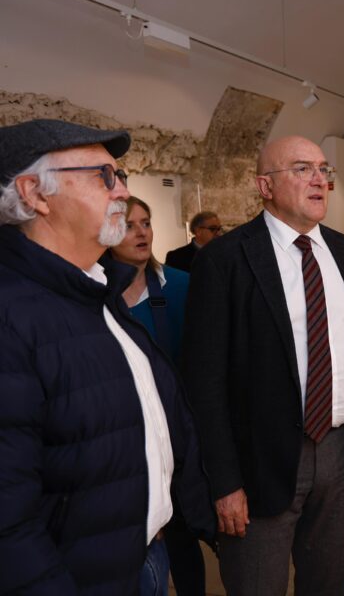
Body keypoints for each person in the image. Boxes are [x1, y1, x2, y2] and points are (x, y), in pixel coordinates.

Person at [181, 134, 344, 595]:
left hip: (343, 452)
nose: (320, 180)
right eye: (302, 169)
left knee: (329, 583)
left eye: (324, 169)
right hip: (260, 459)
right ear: (265, 186)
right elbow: (204, 383)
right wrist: (223, 481)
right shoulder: (225, 261)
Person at [0, 118, 215, 594]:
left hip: (144, 556)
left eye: (120, 177)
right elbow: (9, 520)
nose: (120, 191)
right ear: (35, 193)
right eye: (104, 177)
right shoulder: (12, 315)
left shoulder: (98, 291)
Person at [108, 195, 207, 595]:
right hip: (124, 437)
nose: (141, 232)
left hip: (177, 438)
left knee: (182, 536)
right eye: (129, 225)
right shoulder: (96, 293)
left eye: (146, 223)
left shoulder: (181, 285)